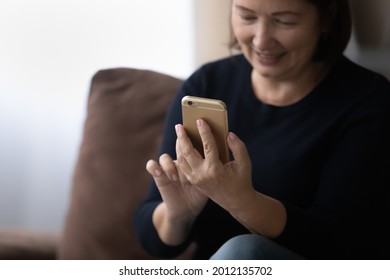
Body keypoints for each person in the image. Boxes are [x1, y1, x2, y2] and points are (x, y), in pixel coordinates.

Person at [135, 0, 390, 260]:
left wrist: (243, 202)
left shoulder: (369, 102)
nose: (261, 41)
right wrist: (179, 213)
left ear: (326, 20)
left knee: (244, 252)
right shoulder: (207, 83)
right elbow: (154, 241)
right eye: (247, 17)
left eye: (284, 21)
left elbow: (342, 244)